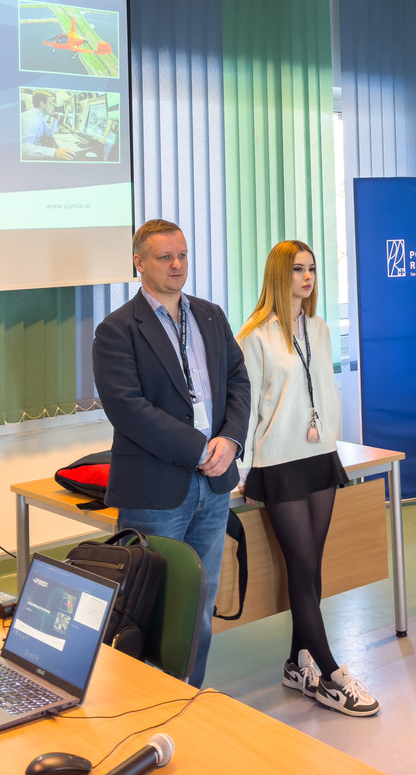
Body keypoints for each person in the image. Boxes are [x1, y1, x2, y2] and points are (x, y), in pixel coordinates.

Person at [91, 219, 250, 688]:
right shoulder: (117, 329)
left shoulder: (210, 316)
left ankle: (187, 698)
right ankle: (142, 704)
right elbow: (128, 408)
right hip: (156, 490)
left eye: (182, 255)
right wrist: (199, 448)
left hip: (214, 482)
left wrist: (231, 439)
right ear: (139, 263)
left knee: (199, 602)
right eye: (165, 257)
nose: (177, 265)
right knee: (147, 606)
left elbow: (238, 381)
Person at [237, 240, 379, 717]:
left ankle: (297, 665)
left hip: (319, 456)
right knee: (301, 566)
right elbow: (247, 406)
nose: (308, 277)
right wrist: (244, 470)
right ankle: (332, 675)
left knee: (311, 567)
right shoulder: (255, 335)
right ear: (280, 274)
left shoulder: (318, 327)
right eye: (298, 269)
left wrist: (333, 441)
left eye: (312, 269)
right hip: (277, 461)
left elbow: (326, 393)